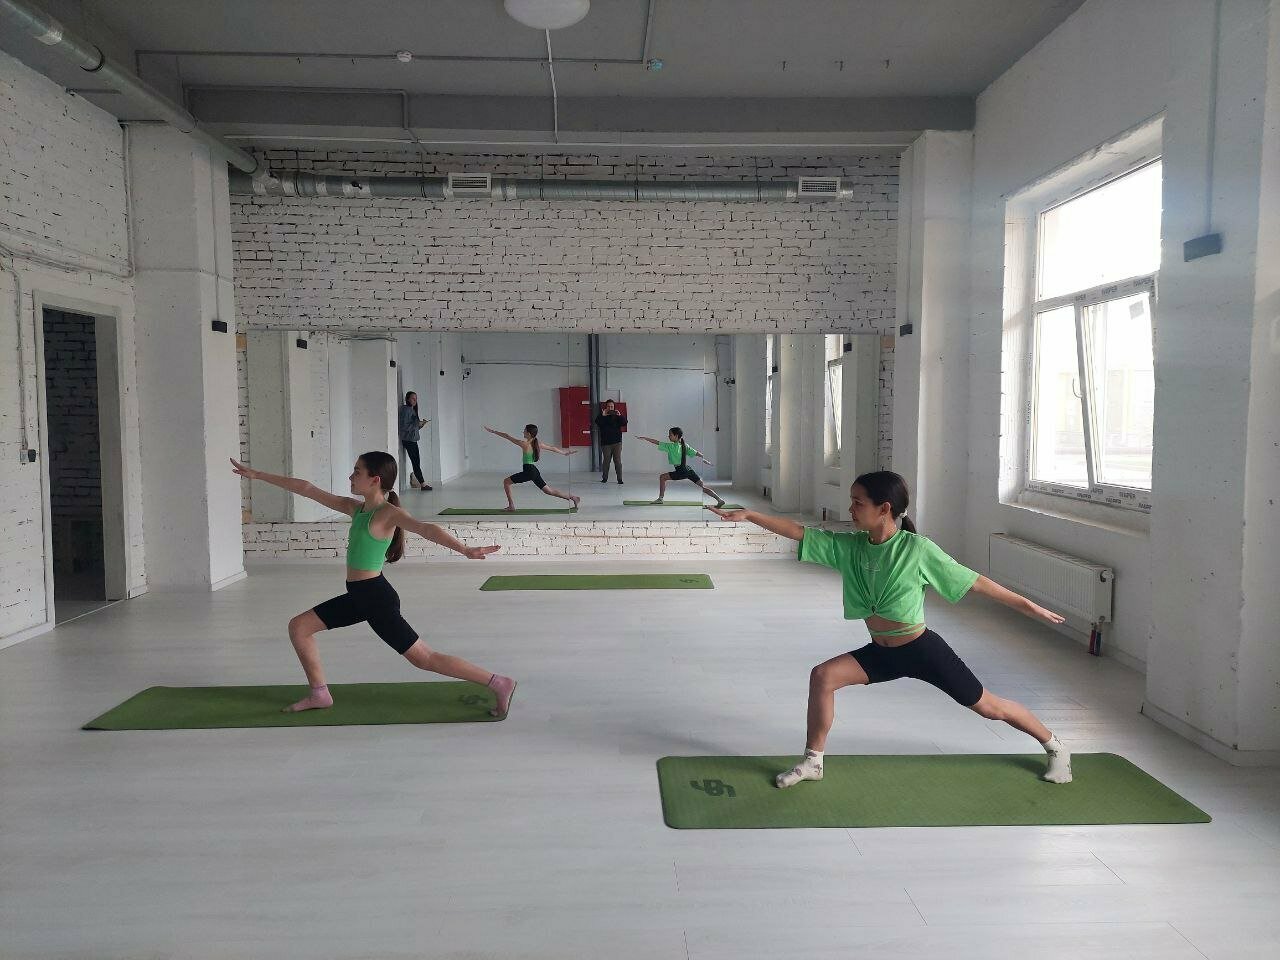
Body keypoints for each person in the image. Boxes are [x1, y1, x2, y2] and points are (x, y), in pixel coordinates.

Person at [709, 470, 1072, 788]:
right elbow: (799, 532)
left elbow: (976, 583)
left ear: (884, 508)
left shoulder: (917, 550)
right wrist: (750, 514)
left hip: (922, 651)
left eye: (858, 503)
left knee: (990, 707)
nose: (850, 509)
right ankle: (813, 762)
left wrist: (1030, 606)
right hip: (882, 652)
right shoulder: (850, 547)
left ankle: (1055, 747)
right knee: (823, 676)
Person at [228, 452, 517, 717]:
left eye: (357, 472)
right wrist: (258, 475)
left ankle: (498, 682)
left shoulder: (388, 514)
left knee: (424, 658)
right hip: (360, 596)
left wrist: (464, 549)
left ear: (374, 480)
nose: (351, 476)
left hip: (376, 599)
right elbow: (307, 488)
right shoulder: (356, 509)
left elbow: (426, 529)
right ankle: (320, 694)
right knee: (299, 627)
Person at [484, 424, 581, 512]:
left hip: (529, 471)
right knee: (549, 491)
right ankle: (573, 497)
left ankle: (511, 506)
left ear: (529, 434)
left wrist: (493, 431)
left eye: (524, 431)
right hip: (533, 470)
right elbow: (552, 448)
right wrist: (565, 453)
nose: (523, 432)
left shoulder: (524, 444)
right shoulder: (538, 444)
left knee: (506, 482)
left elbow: (507, 436)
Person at [636, 427, 726, 507]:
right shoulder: (685, 445)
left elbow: (657, 442)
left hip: (681, 471)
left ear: (676, 436)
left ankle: (660, 499)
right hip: (688, 470)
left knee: (662, 477)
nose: (668, 436)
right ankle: (719, 499)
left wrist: (645, 438)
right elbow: (696, 453)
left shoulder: (671, 446)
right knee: (703, 486)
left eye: (670, 435)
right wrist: (704, 459)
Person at [398, 391, 432, 491]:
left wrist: (421, 425)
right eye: (413, 398)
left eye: (416, 399)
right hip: (409, 440)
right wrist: (417, 424)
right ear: (407, 399)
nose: (415, 401)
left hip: (412, 439)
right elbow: (404, 427)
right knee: (416, 462)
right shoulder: (406, 410)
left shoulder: (411, 410)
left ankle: (423, 484)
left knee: (416, 462)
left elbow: (413, 427)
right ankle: (423, 484)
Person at [595, 399, 628, 484]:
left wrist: (620, 415)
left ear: (614, 407)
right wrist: (603, 415)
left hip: (617, 442)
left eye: (612, 406)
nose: (610, 408)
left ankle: (620, 479)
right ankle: (604, 478)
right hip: (606, 443)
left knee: (617, 461)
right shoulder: (602, 415)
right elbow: (598, 423)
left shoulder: (617, 415)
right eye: (609, 406)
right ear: (606, 407)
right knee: (606, 461)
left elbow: (624, 423)